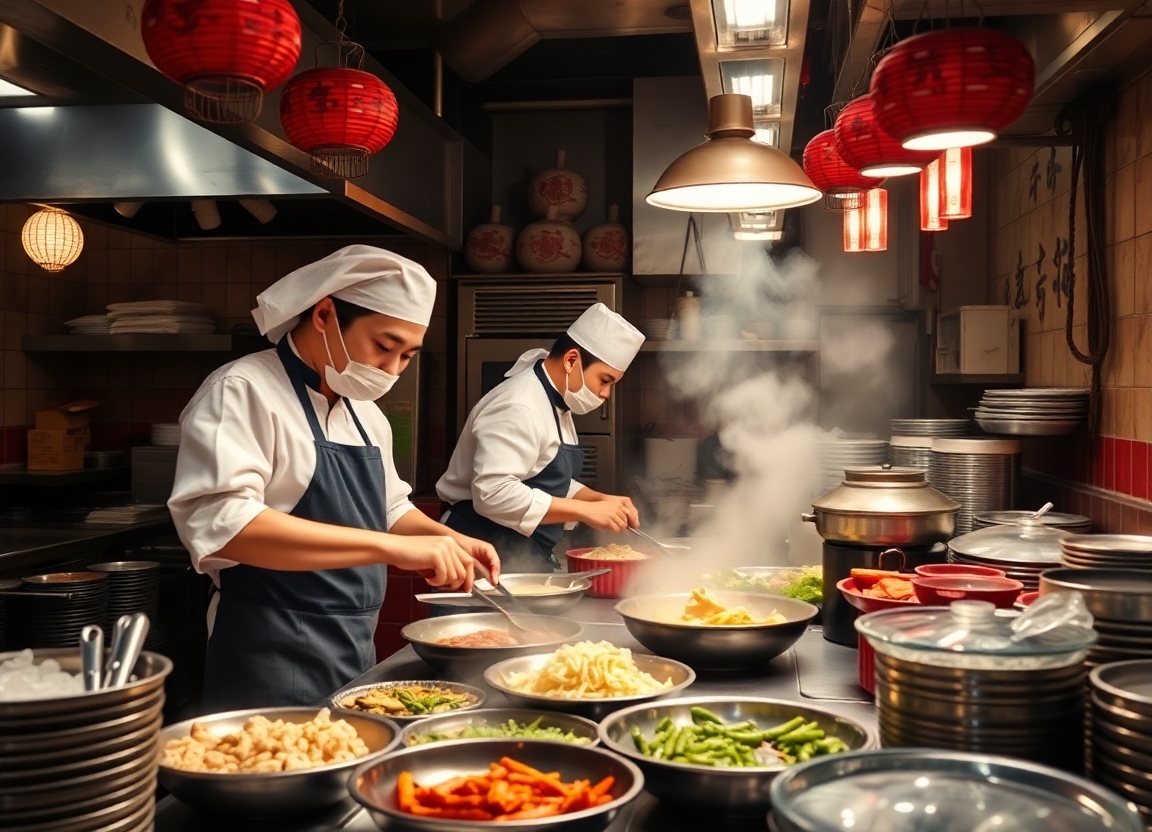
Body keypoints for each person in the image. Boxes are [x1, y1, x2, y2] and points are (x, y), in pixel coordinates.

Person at [169, 245, 499, 710]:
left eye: (407, 355)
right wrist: (393, 548)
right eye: (384, 346)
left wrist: (445, 537)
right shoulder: (243, 391)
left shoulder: (365, 413)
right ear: (324, 314)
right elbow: (224, 529)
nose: (393, 370)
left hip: (353, 643)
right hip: (268, 648)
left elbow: (388, 508)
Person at [437, 303, 645, 573]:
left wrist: (597, 499)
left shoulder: (556, 402)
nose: (606, 393)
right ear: (572, 360)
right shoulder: (520, 404)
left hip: (518, 551)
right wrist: (584, 511)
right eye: (605, 380)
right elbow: (493, 493)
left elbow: (544, 477)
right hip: (477, 549)